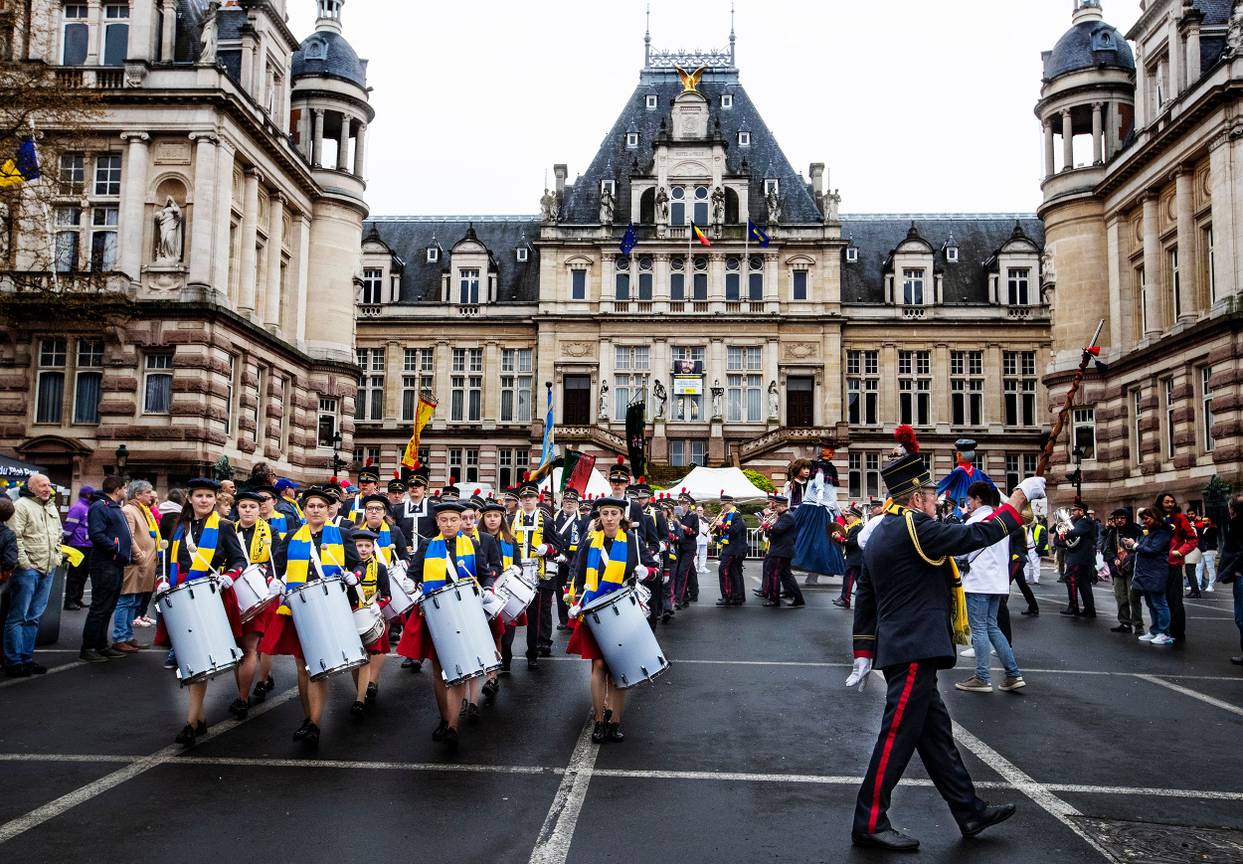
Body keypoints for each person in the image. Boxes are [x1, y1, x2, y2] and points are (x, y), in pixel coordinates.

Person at [846, 428, 1040, 851]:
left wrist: (863, 651)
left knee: (936, 738)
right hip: (915, 647)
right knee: (896, 736)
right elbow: (974, 537)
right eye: (932, 495)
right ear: (917, 498)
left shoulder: (883, 531)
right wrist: (1018, 501)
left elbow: (866, 591)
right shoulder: (916, 528)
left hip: (906, 646)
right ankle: (870, 820)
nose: (938, 501)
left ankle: (968, 810)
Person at [151, 478, 247, 744]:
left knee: (200, 658)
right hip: (179, 593)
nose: (204, 500)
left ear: (216, 499)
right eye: (199, 496)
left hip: (210, 592)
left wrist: (230, 575)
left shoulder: (225, 527)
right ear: (190, 498)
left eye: (209, 496)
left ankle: (193, 721)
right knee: (188, 658)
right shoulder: (178, 526)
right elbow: (164, 560)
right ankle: (196, 719)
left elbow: (240, 559)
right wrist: (162, 582)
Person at [262, 485, 359, 747]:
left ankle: (314, 723)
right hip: (298, 607)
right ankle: (308, 719)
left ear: (329, 510)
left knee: (318, 667)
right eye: (311, 506)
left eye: (321, 507)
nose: (316, 510)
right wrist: (275, 580)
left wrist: (354, 575)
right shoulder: (293, 536)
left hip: (329, 607)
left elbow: (356, 563)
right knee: (302, 668)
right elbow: (277, 567)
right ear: (304, 510)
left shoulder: (341, 534)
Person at [396, 499, 490, 751]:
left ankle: (452, 725)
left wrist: (488, 589)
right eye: (444, 520)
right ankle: (444, 717)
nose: (449, 524)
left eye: (454, 520)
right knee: (439, 670)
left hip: (464, 613)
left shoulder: (470, 544)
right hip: (435, 614)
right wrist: (410, 583)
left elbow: (484, 573)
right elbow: (414, 574)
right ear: (437, 522)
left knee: (457, 666)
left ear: (461, 522)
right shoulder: (427, 546)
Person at [566, 496, 658, 743]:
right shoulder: (589, 542)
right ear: (599, 517)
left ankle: (614, 721)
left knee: (619, 667)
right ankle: (598, 719)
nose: (609, 518)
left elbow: (653, 569)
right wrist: (573, 599)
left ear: (621, 516)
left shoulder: (633, 542)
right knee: (598, 665)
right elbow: (577, 571)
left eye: (613, 514)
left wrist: (645, 572)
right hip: (594, 612)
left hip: (622, 612)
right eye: (605, 513)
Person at [955, 482, 1025, 693]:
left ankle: (982, 677)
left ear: (978, 499)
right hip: (998, 583)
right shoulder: (1000, 523)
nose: (968, 504)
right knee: (992, 627)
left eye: (969, 499)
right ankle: (1013, 674)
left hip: (978, 581)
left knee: (979, 629)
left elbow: (961, 552)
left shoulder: (974, 521)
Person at [5, 474, 63, 677]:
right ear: (31, 487)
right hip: (28, 571)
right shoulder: (21, 506)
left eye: (49, 484)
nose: (47, 488)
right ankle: (13, 661)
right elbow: (15, 536)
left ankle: (26, 659)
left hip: (48, 568)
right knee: (18, 617)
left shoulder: (50, 506)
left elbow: (58, 533)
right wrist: (25, 564)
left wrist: (57, 555)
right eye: (42, 485)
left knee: (34, 617)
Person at [348, 528, 406, 718]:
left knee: (365, 657)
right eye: (359, 546)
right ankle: (361, 690)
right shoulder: (346, 567)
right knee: (355, 660)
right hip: (349, 615)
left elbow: (387, 595)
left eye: (367, 546)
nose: (363, 549)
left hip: (370, 615)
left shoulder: (380, 568)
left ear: (373, 548)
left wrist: (378, 605)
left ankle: (360, 699)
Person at [229, 489, 277, 717]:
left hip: (260, 593)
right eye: (243, 506)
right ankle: (247, 687)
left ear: (260, 510)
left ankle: (243, 696)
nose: (247, 510)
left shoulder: (272, 532)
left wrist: (269, 575)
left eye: (252, 507)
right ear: (237, 509)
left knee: (252, 646)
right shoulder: (227, 531)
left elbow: (279, 562)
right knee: (238, 648)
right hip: (233, 593)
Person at [80, 476, 132, 663]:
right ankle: (89, 647)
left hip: (115, 563)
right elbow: (97, 535)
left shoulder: (113, 507)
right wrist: (117, 550)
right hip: (105, 564)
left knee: (108, 606)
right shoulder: (100, 507)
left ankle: (101, 645)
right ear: (117, 489)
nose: (126, 491)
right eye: (124, 488)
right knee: (100, 607)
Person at [511, 482, 561, 667]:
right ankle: (506, 655)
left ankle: (532, 653)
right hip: (517, 572)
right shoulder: (512, 519)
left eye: (530, 497)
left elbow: (558, 548)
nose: (527, 500)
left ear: (537, 499)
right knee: (511, 614)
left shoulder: (546, 520)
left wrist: (547, 548)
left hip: (536, 574)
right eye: (524, 498)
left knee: (535, 616)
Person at [114, 481, 160, 654]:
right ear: (138, 495)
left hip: (144, 565)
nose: (151, 495)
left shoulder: (142, 510)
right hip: (135, 564)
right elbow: (129, 537)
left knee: (133, 602)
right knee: (125, 601)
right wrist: (139, 556)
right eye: (148, 492)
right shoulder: (129, 511)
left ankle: (128, 636)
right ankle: (120, 637)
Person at [1125, 509, 1174, 646]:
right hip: (1147, 573)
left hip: (1156, 572)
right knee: (1151, 604)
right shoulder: (1152, 533)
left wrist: (1134, 545)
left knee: (1159, 603)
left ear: (1155, 518)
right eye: (1143, 519)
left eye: (1147, 518)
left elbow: (1152, 550)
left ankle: (1164, 633)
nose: (1145, 521)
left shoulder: (1162, 533)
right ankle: (1155, 630)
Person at [1155, 492, 1197, 644]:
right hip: (1158, 564)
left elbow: (1192, 538)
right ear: (1160, 503)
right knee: (1158, 599)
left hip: (1173, 564)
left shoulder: (1179, 518)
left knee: (1174, 599)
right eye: (1166, 502)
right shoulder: (1155, 517)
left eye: (1172, 502)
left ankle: (1177, 631)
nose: (1170, 504)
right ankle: (1161, 629)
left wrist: (1180, 551)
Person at [1053, 500, 1097, 618]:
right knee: (1083, 583)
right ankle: (1089, 609)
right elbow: (1063, 538)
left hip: (1080, 557)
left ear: (1082, 511)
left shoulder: (1085, 521)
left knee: (1070, 579)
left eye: (1074, 511)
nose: (1072, 513)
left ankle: (1073, 607)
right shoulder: (1077, 521)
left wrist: (1065, 533)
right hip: (1079, 556)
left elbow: (1075, 532)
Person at [1104, 508, 1144, 633]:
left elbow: (1141, 548)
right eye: (1117, 518)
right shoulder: (1113, 532)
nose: (1119, 521)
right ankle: (1124, 623)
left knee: (1133, 597)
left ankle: (1138, 625)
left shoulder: (1136, 530)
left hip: (1132, 569)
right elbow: (1108, 549)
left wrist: (1129, 559)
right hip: (1118, 569)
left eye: (1122, 518)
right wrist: (1114, 558)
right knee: (1120, 597)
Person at [761, 495, 803, 608]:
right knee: (786, 576)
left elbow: (778, 529)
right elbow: (773, 531)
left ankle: (774, 600)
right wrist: (767, 528)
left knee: (774, 574)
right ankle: (799, 599)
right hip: (781, 549)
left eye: (777, 506)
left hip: (781, 550)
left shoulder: (787, 516)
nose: (776, 508)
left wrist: (768, 527)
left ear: (783, 505)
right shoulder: (781, 516)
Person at [1215, 495, 1242, 665]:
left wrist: (1233, 569)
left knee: (1241, 617)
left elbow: (1238, 552)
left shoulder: (1238, 525)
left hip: (1241, 575)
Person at [61, 485, 95, 611]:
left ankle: (77, 599)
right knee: (75, 575)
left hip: (87, 545)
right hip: (78, 545)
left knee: (83, 575)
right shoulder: (78, 508)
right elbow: (69, 526)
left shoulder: (87, 507)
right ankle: (70, 601)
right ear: (88, 495)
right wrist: (66, 540)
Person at [714, 494, 747, 606]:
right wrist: (717, 527)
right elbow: (722, 533)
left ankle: (727, 596)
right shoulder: (726, 515)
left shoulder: (736, 515)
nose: (723, 507)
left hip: (733, 548)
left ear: (730, 503)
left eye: (724, 505)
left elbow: (734, 530)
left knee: (723, 570)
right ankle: (736, 596)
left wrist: (722, 525)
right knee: (734, 572)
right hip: (729, 547)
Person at [671, 491, 699, 609]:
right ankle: (692, 593)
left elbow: (695, 532)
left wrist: (682, 527)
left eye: (683, 503)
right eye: (679, 503)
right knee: (686, 571)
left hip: (689, 547)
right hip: (678, 547)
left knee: (682, 572)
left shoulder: (693, 515)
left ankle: (679, 599)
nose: (681, 505)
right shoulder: (676, 515)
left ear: (688, 504)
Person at [833, 504, 864, 610]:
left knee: (849, 579)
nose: (846, 518)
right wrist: (838, 537)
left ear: (855, 517)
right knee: (860, 582)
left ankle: (845, 599)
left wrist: (840, 539)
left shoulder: (858, 527)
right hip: (855, 558)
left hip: (855, 559)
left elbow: (852, 542)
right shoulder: (854, 527)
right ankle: (863, 599)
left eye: (848, 516)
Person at [1196, 515, 1218, 594]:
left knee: (1210, 568)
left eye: (1206, 521)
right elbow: (1198, 535)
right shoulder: (1201, 529)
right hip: (1201, 550)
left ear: (1210, 521)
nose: (1204, 522)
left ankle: (1211, 585)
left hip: (1210, 550)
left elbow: (1206, 537)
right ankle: (1198, 585)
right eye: (1203, 520)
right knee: (1198, 568)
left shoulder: (1213, 529)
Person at [694, 504, 710, 589]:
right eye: (698, 510)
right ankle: (695, 567)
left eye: (701, 510)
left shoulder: (705, 519)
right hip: (697, 539)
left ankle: (702, 567)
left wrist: (709, 538)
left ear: (703, 511)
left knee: (703, 554)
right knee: (696, 555)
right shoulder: (694, 518)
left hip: (704, 539)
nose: (699, 512)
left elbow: (708, 529)